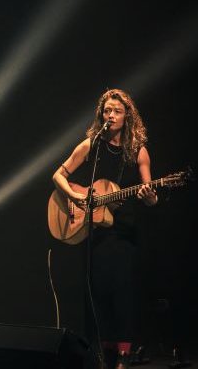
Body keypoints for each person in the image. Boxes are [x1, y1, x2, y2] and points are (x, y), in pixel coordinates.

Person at [51, 88, 158, 369]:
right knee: (96, 292)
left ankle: (124, 354)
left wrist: (151, 195)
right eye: (107, 111)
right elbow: (58, 174)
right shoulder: (91, 145)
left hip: (123, 232)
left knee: (121, 291)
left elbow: (151, 194)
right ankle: (100, 353)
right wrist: (75, 196)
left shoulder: (138, 151)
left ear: (127, 116)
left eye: (117, 111)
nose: (111, 116)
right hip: (94, 233)